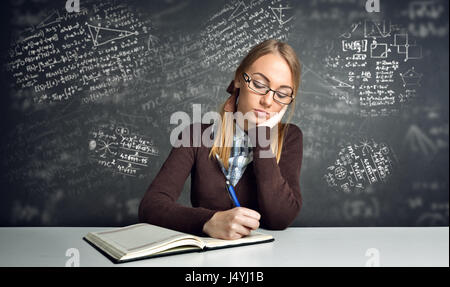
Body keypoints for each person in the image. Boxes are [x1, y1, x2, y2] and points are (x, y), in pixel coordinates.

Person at [139, 39, 303, 240]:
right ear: (238, 79)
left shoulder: (290, 138)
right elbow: (151, 206)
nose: (268, 101)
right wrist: (208, 221)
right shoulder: (196, 136)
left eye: (282, 94)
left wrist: (261, 136)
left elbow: (280, 218)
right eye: (259, 84)